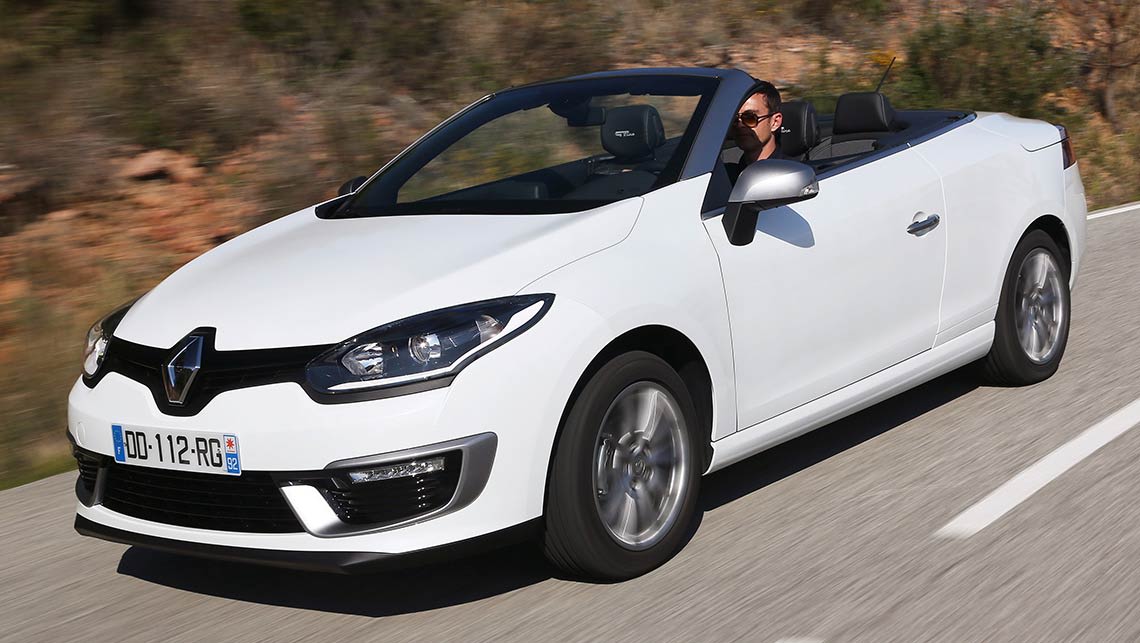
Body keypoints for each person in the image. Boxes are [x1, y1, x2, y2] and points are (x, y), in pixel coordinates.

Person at [727, 80, 785, 182]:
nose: (740, 125)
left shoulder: (791, 175)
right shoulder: (723, 177)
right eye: (734, 119)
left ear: (775, 122)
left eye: (749, 118)